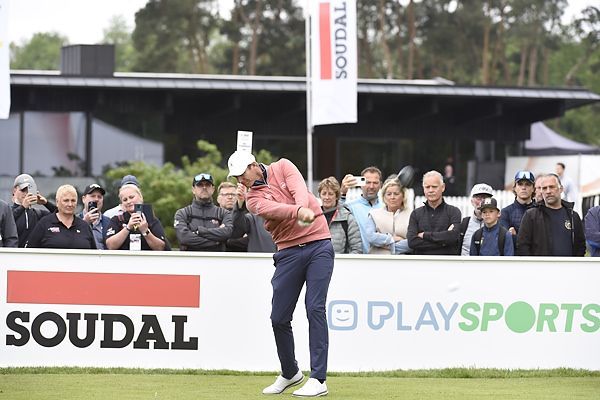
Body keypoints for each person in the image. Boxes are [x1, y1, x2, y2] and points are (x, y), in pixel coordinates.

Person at [227, 150, 333, 397]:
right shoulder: (252, 200)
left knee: (315, 308)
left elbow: (299, 189)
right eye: (236, 177)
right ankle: (290, 372)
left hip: (318, 244)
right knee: (279, 317)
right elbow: (275, 210)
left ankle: (318, 379)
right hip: (288, 252)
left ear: (253, 165)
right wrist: (297, 212)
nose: (240, 181)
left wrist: (301, 207)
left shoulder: (283, 166)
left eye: (242, 174)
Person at [517, 174, 585, 256]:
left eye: (552, 187)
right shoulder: (531, 215)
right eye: (544, 188)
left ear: (561, 189)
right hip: (540, 264)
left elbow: (580, 246)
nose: (548, 191)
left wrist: (574, 263)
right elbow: (522, 246)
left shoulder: (573, 216)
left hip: (568, 264)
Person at [174, 173, 233, 252]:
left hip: (216, 259)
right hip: (190, 259)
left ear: (213, 189)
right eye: (200, 185)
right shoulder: (182, 213)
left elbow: (226, 233)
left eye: (207, 185)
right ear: (193, 190)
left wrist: (200, 232)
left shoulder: (224, 213)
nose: (204, 187)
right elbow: (184, 238)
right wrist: (216, 242)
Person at [407, 170, 462, 255]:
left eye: (434, 187)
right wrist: (444, 243)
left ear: (443, 187)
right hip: (422, 261)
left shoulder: (454, 212)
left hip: (446, 261)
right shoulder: (416, 214)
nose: (431, 190)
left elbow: (453, 237)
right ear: (423, 189)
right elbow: (412, 242)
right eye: (427, 187)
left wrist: (425, 235)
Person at [26, 185, 96, 249]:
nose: (70, 204)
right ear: (57, 202)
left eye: (73, 200)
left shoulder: (85, 226)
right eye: (66, 200)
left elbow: (94, 255)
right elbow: (29, 253)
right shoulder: (44, 224)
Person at [105, 184, 169, 251]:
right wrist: (127, 228)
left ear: (140, 197)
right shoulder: (117, 220)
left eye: (131, 197)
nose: (129, 201)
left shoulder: (151, 219)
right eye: (125, 200)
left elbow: (160, 247)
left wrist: (145, 231)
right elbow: (110, 246)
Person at [340, 166, 383, 253]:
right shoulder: (351, 206)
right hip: (358, 257)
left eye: (375, 183)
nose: (371, 186)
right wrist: (342, 193)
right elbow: (336, 214)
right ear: (360, 183)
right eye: (367, 182)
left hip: (382, 257)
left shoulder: (386, 207)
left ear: (381, 185)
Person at [364, 178, 411, 254]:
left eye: (396, 194)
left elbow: (413, 242)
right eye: (389, 194)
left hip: (404, 259)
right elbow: (371, 237)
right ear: (384, 197)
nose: (392, 197)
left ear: (403, 196)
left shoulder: (412, 214)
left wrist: (385, 245)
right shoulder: (374, 214)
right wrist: (391, 239)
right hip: (378, 258)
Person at [11, 173, 57, 247]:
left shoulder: (38, 214)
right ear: (14, 191)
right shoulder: (7, 211)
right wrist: (23, 207)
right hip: (12, 253)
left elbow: (61, 215)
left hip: (33, 254)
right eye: (23, 190)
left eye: (29, 190)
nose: (26, 194)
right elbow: (6, 221)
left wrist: (46, 203)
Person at [318, 177, 362, 254]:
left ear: (337, 196)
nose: (327, 197)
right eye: (324, 193)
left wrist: (344, 261)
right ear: (320, 195)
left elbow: (357, 249)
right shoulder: (314, 218)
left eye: (330, 194)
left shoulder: (348, 218)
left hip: (341, 261)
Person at [230, 183, 277, 253]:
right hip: (260, 259)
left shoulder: (289, 215)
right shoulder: (253, 218)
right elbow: (236, 232)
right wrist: (240, 203)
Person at [500, 170, 536, 247]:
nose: (523, 187)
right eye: (520, 184)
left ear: (533, 188)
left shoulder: (540, 211)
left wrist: (515, 236)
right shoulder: (505, 212)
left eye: (527, 184)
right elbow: (505, 240)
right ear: (514, 188)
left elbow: (540, 240)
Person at [458, 183, 493, 256]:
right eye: (478, 198)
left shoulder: (498, 225)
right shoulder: (464, 224)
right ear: (472, 201)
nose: (482, 202)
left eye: (485, 198)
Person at [78, 183, 111, 250]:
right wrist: (84, 224)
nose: (96, 199)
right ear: (83, 199)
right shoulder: (75, 220)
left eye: (99, 197)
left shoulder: (109, 222)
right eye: (92, 196)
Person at [217, 181, 248, 251]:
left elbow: (250, 240)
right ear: (218, 199)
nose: (230, 197)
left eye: (233, 194)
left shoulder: (247, 217)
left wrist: (227, 241)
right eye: (226, 194)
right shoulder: (212, 217)